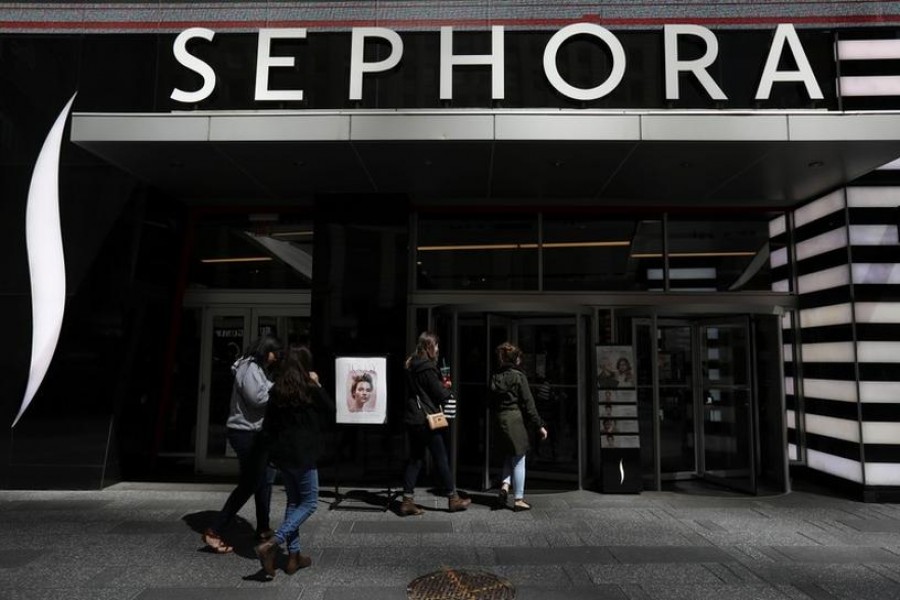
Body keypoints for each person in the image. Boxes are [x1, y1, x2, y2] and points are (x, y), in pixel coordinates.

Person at [255, 346, 334, 578]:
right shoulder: (309, 389)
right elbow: (331, 410)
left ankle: (294, 557)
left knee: (293, 502)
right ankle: (273, 543)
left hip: (284, 456)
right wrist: (318, 384)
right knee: (309, 502)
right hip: (304, 455)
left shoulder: (277, 390)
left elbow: (268, 427)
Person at [202, 335, 283, 554]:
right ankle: (214, 530)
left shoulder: (257, 369)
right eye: (276, 353)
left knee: (265, 478)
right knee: (251, 482)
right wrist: (277, 391)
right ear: (267, 351)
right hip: (244, 432)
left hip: (254, 432)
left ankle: (264, 528)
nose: (277, 358)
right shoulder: (249, 368)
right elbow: (255, 400)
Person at [399, 331, 470, 516]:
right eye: (436, 345)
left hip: (413, 418)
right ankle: (453, 499)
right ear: (429, 347)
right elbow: (439, 393)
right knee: (441, 458)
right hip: (426, 419)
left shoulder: (411, 365)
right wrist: (447, 387)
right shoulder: (427, 368)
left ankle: (407, 501)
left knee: (415, 459)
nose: (438, 349)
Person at [490, 342, 548, 512]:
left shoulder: (494, 376)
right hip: (514, 419)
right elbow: (529, 404)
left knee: (510, 454)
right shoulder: (518, 377)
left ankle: (504, 487)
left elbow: (489, 401)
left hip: (500, 418)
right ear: (515, 359)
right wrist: (540, 425)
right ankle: (519, 499)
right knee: (520, 458)